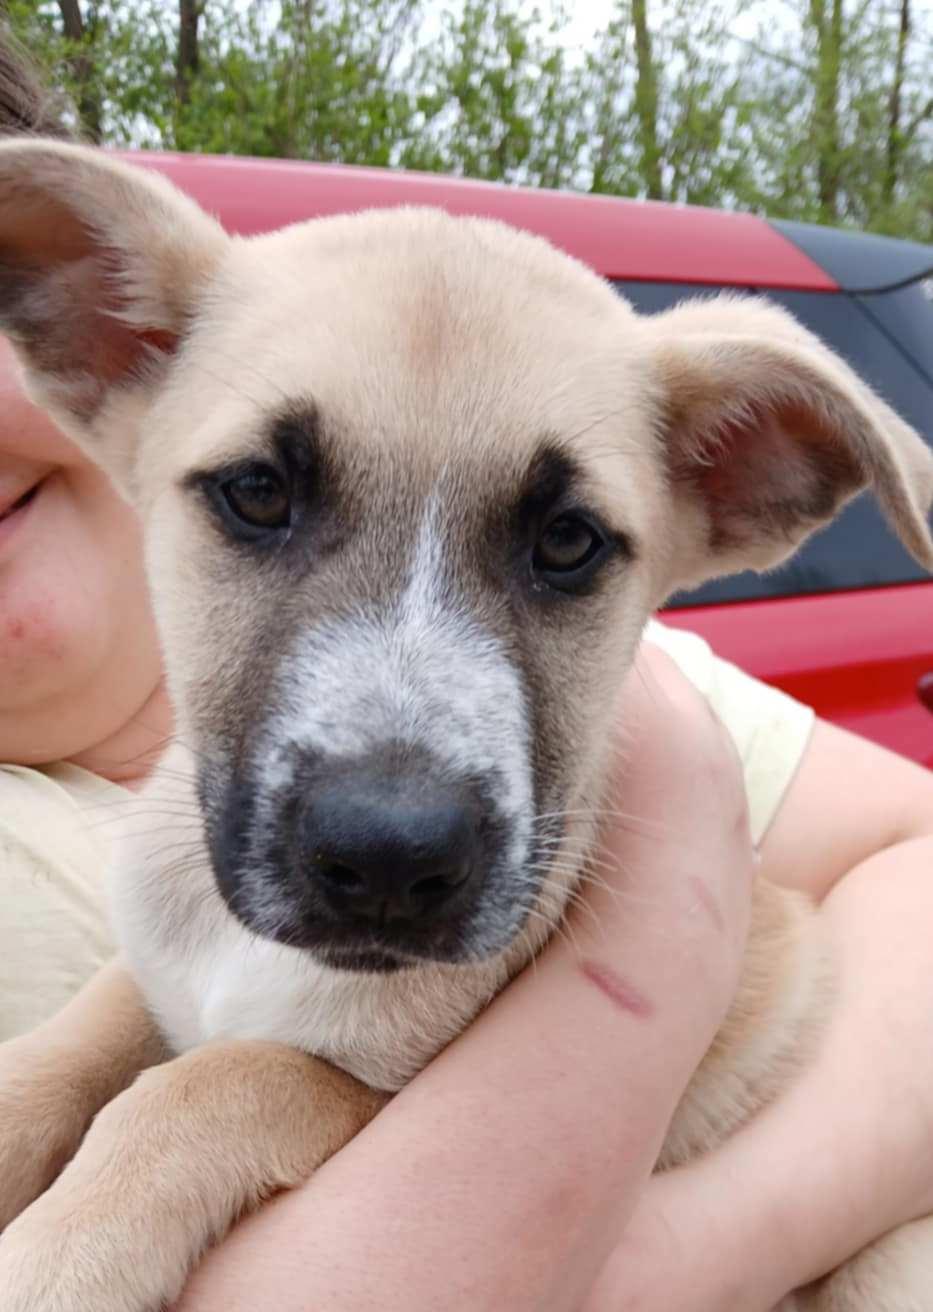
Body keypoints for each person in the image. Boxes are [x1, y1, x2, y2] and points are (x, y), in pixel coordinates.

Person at [2, 28, 933, 1311]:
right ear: (107, 353)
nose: (396, 800)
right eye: (262, 498)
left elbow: (329, 1065)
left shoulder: (672, 733)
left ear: (736, 485)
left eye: (562, 545)